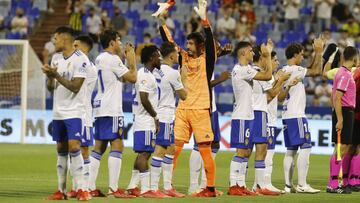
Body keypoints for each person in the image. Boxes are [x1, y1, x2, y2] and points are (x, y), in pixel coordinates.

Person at [153, 0, 218, 197]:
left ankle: (210, 188)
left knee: (205, 149)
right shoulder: (182, 57)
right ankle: (168, 186)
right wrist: (161, 20)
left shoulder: (207, 60)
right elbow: (169, 42)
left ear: (200, 45)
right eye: (187, 43)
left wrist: (205, 20)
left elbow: (210, 41)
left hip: (200, 110)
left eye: (191, 43)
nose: (187, 46)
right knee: (174, 148)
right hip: (181, 109)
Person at [42, 26, 91, 201]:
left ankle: (82, 189)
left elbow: (75, 87)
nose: (53, 42)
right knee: (61, 149)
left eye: (55, 38)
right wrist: (49, 76)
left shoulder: (81, 60)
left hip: (74, 111)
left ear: (64, 39)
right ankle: (61, 191)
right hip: (58, 112)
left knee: (75, 147)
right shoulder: (56, 58)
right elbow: (50, 88)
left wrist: (55, 75)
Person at [88, 30, 137, 198]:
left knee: (99, 147)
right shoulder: (114, 59)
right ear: (111, 43)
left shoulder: (100, 58)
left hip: (100, 106)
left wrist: (123, 60)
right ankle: (113, 189)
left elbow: (118, 78)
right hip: (112, 108)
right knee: (117, 145)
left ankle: (89, 187)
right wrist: (132, 60)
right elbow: (132, 78)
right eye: (118, 40)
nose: (121, 43)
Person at [227, 40, 277, 197]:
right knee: (241, 151)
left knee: (245, 151)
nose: (252, 53)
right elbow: (268, 75)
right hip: (241, 116)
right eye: (250, 51)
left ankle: (241, 185)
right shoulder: (241, 70)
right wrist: (267, 54)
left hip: (247, 116)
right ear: (242, 53)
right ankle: (233, 185)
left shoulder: (246, 69)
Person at [279, 38, 324, 194]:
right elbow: (317, 71)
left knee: (290, 150)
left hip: (286, 115)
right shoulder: (295, 70)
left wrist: (316, 56)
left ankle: (287, 185)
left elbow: (311, 68)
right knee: (306, 147)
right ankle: (303, 184)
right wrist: (318, 50)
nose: (303, 57)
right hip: (297, 115)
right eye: (302, 55)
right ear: (296, 55)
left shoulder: (284, 70)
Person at [148, 42, 187, 198]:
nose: (178, 56)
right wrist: (183, 77)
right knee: (161, 150)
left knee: (171, 148)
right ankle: (153, 188)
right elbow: (184, 95)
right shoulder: (172, 73)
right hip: (164, 115)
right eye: (177, 54)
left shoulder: (156, 70)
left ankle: (167, 187)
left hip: (161, 114)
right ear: (171, 55)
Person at [127, 45, 161, 197]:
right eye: (158, 56)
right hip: (145, 119)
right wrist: (155, 117)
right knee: (145, 154)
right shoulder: (145, 75)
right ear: (152, 58)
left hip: (142, 119)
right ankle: (146, 189)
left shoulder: (145, 73)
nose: (160, 59)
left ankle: (132, 186)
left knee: (143, 153)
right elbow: (144, 99)